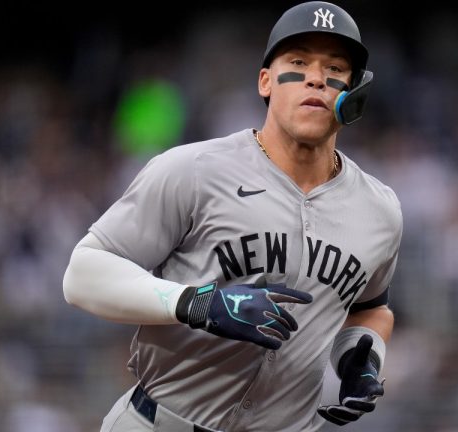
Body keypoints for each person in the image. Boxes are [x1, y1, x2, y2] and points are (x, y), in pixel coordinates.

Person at [62, 1, 403, 430]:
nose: (317, 78)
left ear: (354, 93)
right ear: (266, 82)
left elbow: (371, 307)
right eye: (298, 62)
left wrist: (363, 356)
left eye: (335, 68)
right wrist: (196, 302)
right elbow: (83, 274)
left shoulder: (379, 209)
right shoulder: (194, 170)